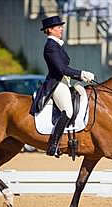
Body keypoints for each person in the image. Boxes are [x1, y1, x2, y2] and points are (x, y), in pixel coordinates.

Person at [30, 16, 95, 157]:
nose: (61, 29)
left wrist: (81, 77)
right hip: (56, 83)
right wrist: (81, 73)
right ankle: (53, 144)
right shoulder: (50, 46)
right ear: (50, 30)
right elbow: (61, 69)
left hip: (65, 82)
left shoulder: (57, 45)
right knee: (68, 111)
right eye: (58, 27)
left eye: (61, 26)